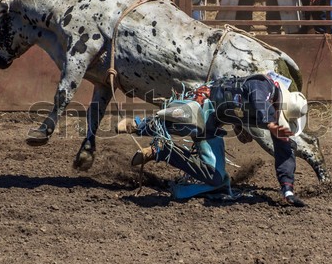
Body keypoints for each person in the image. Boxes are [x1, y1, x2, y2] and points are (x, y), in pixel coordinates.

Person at [116, 74, 308, 207]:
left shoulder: (271, 112)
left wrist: (287, 190)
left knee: (217, 180)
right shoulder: (263, 84)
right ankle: (139, 125)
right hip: (203, 102)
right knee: (188, 121)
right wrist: (269, 123)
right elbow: (257, 99)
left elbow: (285, 149)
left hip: (213, 124)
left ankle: (163, 151)